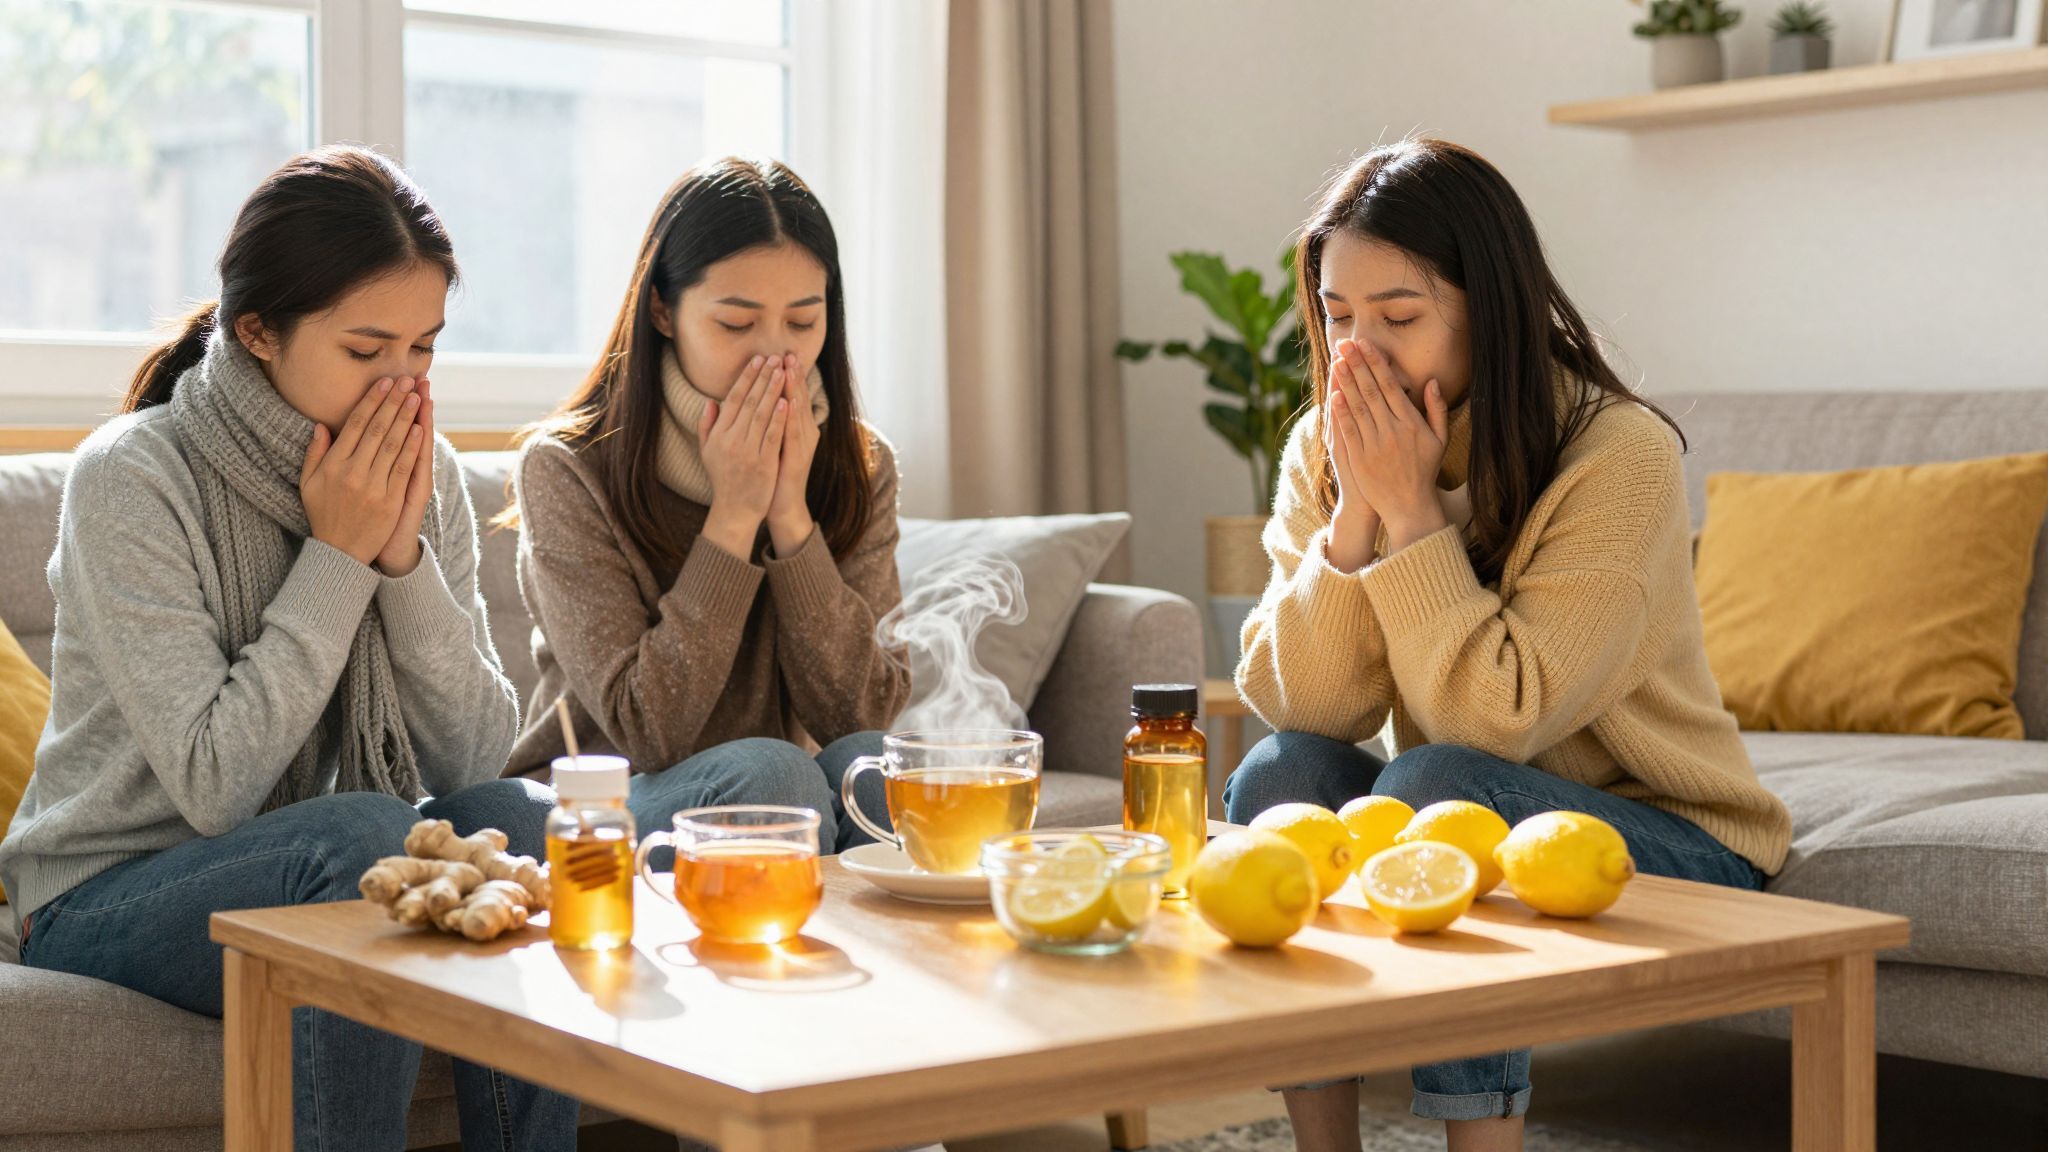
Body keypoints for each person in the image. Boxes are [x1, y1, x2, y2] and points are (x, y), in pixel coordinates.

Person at [0, 146, 578, 1152]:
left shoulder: (421, 469)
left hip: (312, 851)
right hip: (105, 889)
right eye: (366, 351)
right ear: (259, 333)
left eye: (425, 349)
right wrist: (340, 556)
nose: (402, 386)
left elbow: (473, 758)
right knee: (360, 840)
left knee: (517, 822)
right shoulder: (133, 478)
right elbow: (217, 786)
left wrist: (403, 559)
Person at [1227, 138, 1793, 1152]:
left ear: (1489, 309)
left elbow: (1497, 721)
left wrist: (1409, 519)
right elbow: (1305, 707)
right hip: (1480, 807)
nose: (1356, 352)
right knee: (1281, 773)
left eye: (1396, 317)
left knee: (1440, 780)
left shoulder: (1615, 454)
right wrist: (1352, 520)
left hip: (1668, 834)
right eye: (1336, 315)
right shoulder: (1327, 444)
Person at [502, 157, 910, 852]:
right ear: (662, 308)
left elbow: (862, 715)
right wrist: (734, 515)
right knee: (774, 776)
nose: (775, 358)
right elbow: (649, 729)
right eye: (736, 324)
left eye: (802, 323)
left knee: (879, 772)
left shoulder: (857, 462)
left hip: (777, 794)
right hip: (598, 804)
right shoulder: (567, 467)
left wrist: (790, 519)